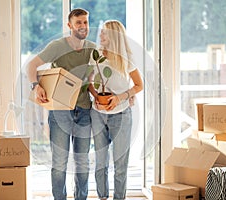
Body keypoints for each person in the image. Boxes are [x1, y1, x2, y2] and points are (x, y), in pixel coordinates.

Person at [26, 8, 96, 200]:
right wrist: (36, 86)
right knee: (59, 161)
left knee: (82, 162)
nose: (83, 26)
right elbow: (31, 66)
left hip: (83, 110)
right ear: (69, 25)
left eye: (85, 22)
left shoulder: (92, 48)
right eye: (79, 22)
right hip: (59, 111)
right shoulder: (57, 46)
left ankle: (81, 197)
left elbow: (94, 78)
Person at [88, 20, 143, 200]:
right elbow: (89, 82)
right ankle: (102, 197)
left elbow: (139, 85)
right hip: (98, 114)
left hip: (121, 114)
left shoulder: (126, 59)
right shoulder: (95, 56)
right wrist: (96, 96)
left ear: (113, 36)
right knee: (100, 162)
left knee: (120, 163)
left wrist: (120, 97)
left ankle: (119, 198)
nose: (101, 35)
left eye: (104, 33)